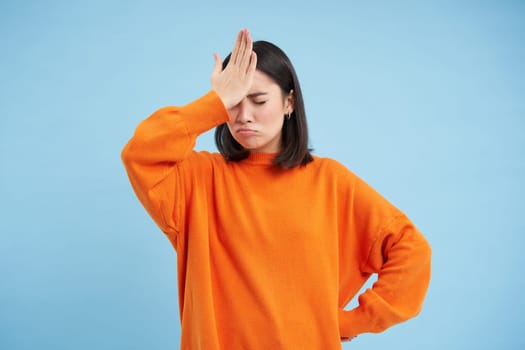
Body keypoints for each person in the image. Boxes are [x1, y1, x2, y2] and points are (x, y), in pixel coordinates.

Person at [121, 28, 431, 350]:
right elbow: (140, 154)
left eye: (259, 100)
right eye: (234, 103)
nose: (244, 116)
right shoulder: (199, 180)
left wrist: (351, 321)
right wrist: (213, 103)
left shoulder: (330, 181)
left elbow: (411, 251)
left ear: (289, 102)